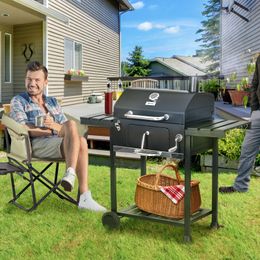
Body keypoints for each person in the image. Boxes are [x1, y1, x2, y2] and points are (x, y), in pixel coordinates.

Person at [9, 61, 106, 211]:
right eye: (29, 79)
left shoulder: (53, 102)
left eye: (37, 80)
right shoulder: (19, 101)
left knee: (77, 134)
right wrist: (52, 130)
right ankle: (84, 196)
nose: (32, 83)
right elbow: (24, 129)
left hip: (58, 142)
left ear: (45, 82)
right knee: (80, 141)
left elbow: (66, 129)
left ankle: (71, 175)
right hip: (34, 144)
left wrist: (54, 126)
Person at [219, 55, 260, 193]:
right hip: (258, 113)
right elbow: (255, 84)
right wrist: (254, 108)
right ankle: (240, 186)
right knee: (247, 150)